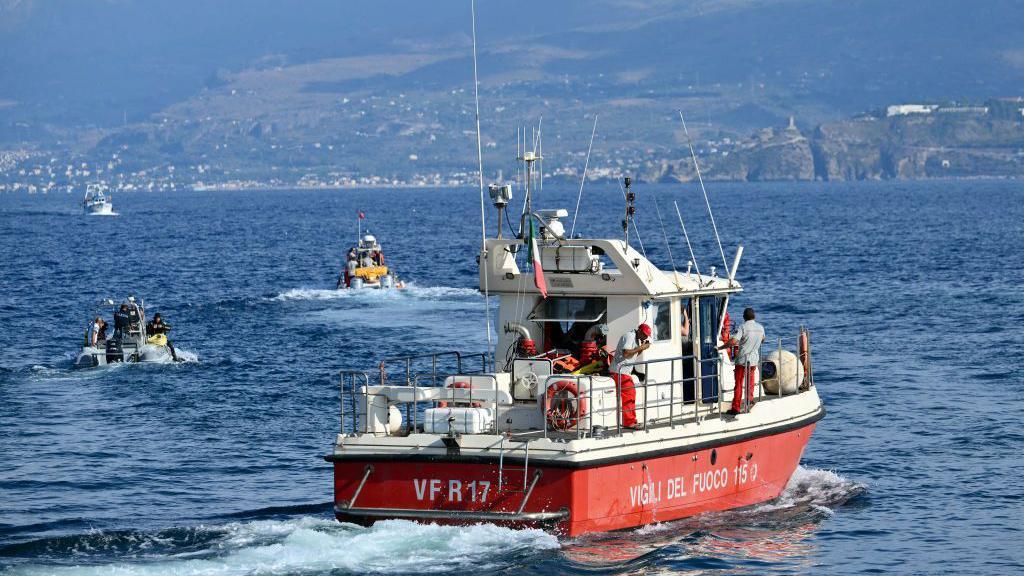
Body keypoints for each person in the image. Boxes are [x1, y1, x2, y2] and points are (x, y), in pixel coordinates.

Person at [718, 307, 765, 416]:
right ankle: (749, 401)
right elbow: (762, 339)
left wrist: (722, 347)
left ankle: (736, 408)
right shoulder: (760, 328)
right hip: (753, 360)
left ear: (744, 317)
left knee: (739, 384)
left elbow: (734, 341)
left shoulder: (743, 327)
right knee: (751, 381)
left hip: (742, 360)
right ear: (754, 316)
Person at [609, 323, 652, 428]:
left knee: (630, 394)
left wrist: (642, 348)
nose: (646, 337)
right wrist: (641, 347)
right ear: (639, 331)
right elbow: (626, 354)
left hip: (623, 371)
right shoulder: (629, 336)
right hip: (620, 371)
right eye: (645, 334)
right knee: (629, 394)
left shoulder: (636, 338)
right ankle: (629, 422)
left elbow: (634, 354)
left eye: (647, 335)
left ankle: (631, 420)